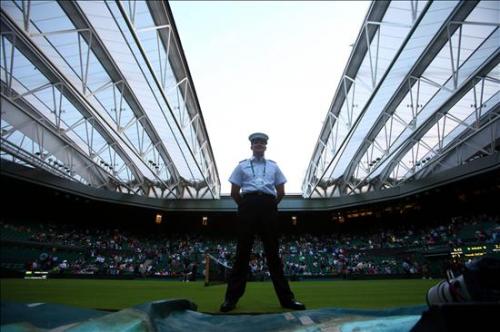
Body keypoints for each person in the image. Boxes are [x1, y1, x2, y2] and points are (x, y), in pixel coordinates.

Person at [220, 132, 306, 312]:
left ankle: (287, 300)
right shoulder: (241, 166)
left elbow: (280, 191)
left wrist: (270, 206)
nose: (259, 144)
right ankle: (231, 299)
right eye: (256, 142)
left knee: (273, 254)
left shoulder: (274, 166)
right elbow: (234, 191)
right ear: (251, 146)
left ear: (266, 146)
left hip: (268, 205)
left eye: (262, 142)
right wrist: (245, 206)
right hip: (248, 205)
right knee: (242, 253)